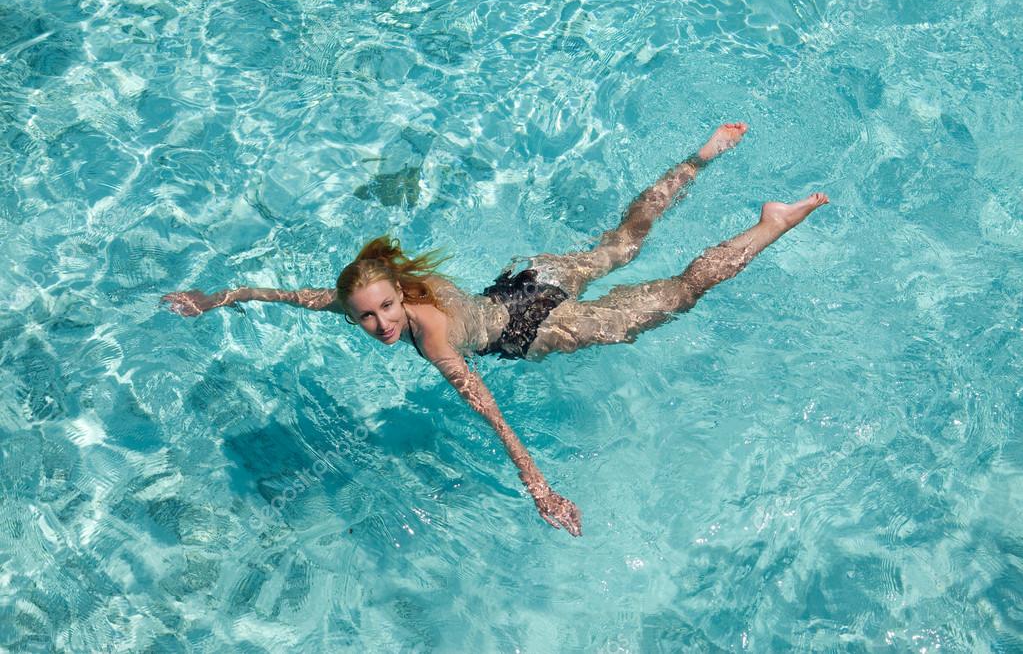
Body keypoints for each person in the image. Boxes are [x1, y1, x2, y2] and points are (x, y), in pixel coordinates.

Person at [163, 123, 828, 537]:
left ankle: (769, 224)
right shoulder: (364, 297)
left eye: (384, 310)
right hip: (527, 279)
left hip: (536, 325)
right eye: (367, 314)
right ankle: (703, 155)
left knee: (679, 294)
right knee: (620, 244)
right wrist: (216, 297)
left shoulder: (428, 338)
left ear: (398, 293)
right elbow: (287, 295)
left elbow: (488, 411)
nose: (378, 324)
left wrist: (539, 488)